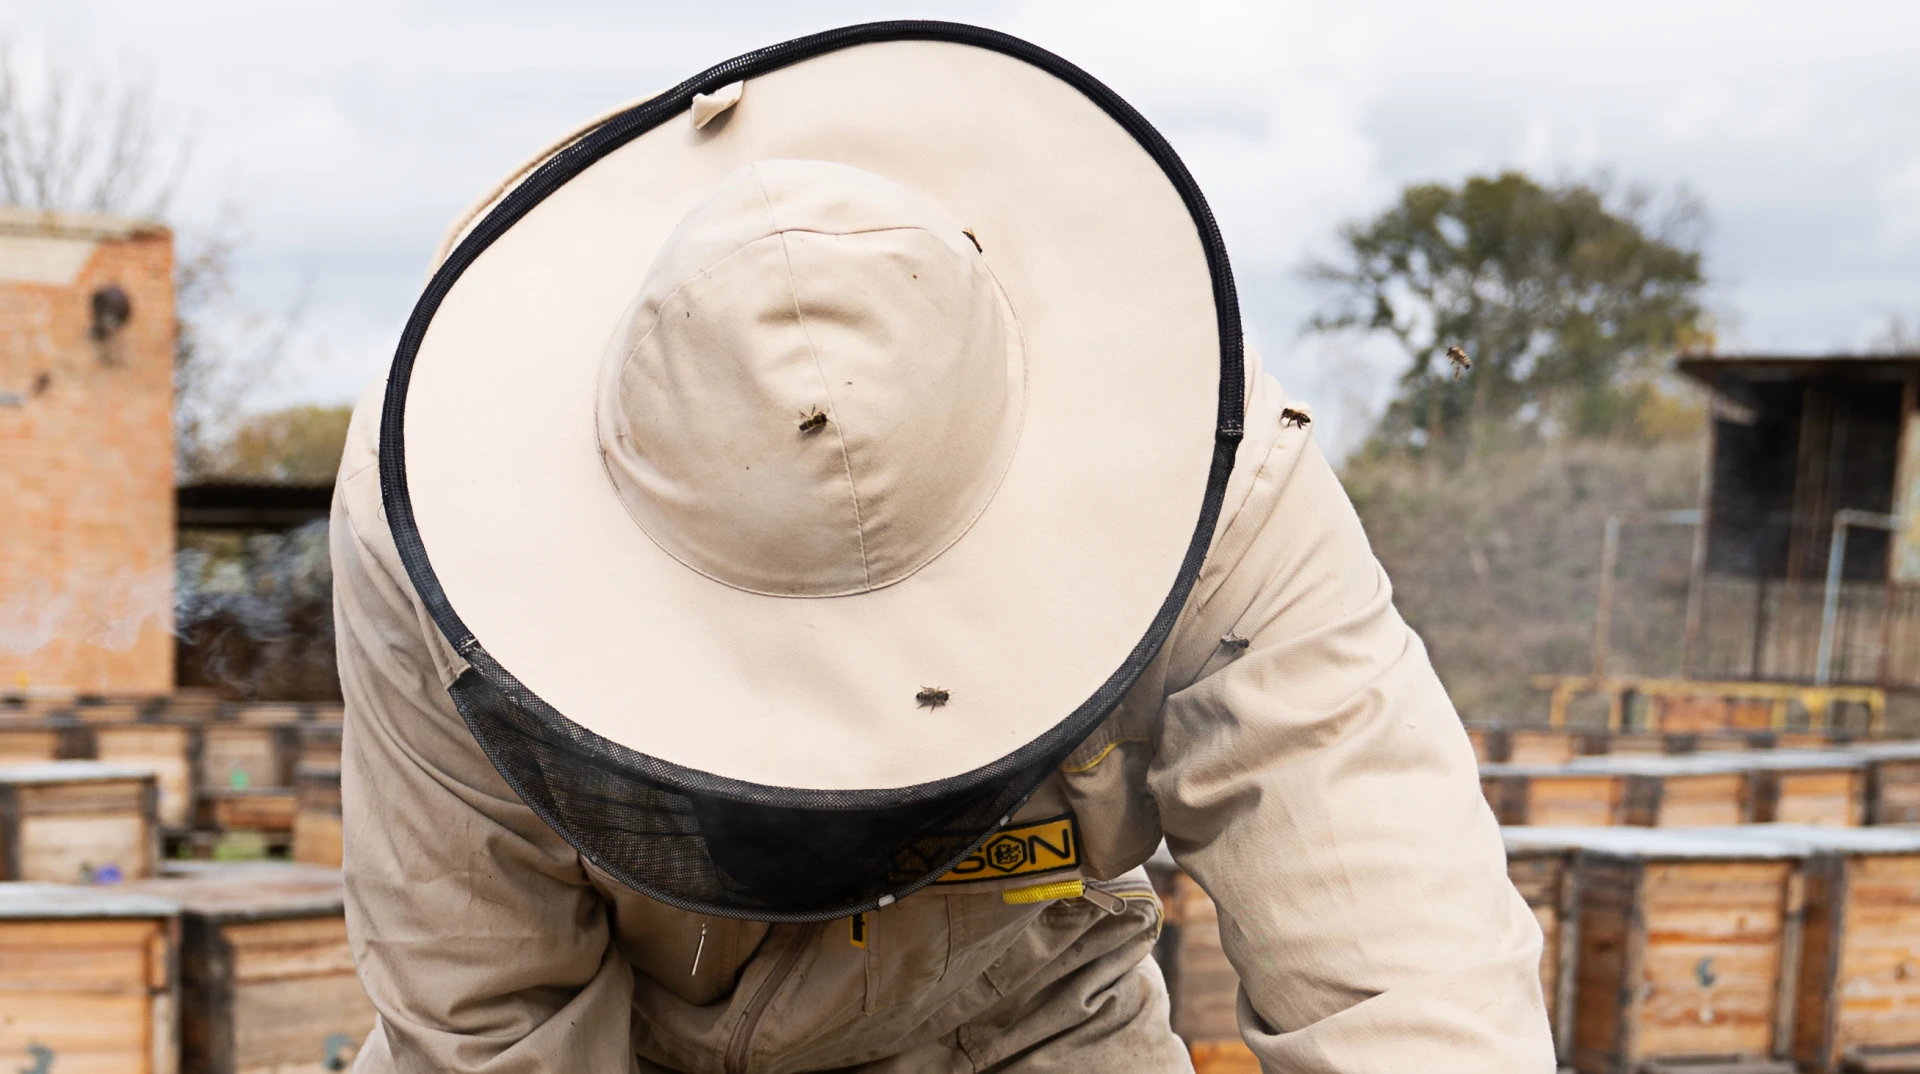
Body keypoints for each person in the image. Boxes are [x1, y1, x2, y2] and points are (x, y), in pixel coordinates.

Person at [332, 23, 1554, 1074]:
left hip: (1024, 1015)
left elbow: (1404, 970)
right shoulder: (430, 550)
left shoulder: (1227, 487)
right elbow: (494, 1016)